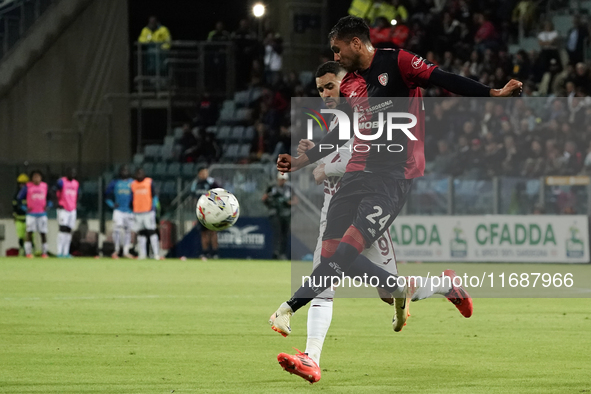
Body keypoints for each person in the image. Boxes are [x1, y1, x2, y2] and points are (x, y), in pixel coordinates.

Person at [270, 15, 521, 346]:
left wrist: (492, 94)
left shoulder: (398, 62)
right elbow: (341, 129)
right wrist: (302, 160)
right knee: (342, 261)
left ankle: (289, 309)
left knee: (346, 257)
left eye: (337, 49)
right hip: (357, 175)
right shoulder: (349, 85)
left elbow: (444, 78)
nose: (336, 57)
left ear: (356, 43)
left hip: (392, 177)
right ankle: (439, 286)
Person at [277, 61, 463, 383]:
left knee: (387, 292)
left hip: (369, 203)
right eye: (320, 90)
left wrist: (326, 166)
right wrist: (314, 157)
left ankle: (444, 285)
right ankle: (311, 358)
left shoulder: (369, 109)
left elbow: (367, 158)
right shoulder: (342, 120)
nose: (325, 95)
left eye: (330, 86)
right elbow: (337, 152)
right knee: (329, 278)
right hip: (335, 207)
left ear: (346, 83)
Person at [262, 173, 297, 260]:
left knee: (285, 234)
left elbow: (295, 200)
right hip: (275, 213)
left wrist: (287, 202)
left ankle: (282, 253)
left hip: (286, 213)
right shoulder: (272, 187)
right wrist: (271, 203)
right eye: (281, 179)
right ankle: (276, 252)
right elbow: (264, 198)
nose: (282, 181)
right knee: (277, 233)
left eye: (283, 179)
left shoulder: (289, 188)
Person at [17, 170, 51, 258]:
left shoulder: (45, 186)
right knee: (29, 232)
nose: (36, 178)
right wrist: (25, 208)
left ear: (41, 178)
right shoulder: (27, 187)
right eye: (34, 177)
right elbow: (19, 199)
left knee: (43, 233)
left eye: (38, 177)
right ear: (32, 178)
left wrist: (49, 206)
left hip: (42, 214)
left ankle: (44, 252)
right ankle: (28, 252)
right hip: (31, 214)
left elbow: (50, 198)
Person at [190, 167, 222, 260]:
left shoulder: (212, 183)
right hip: (201, 212)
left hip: (212, 211)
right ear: (199, 174)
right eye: (203, 172)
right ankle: (205, 252)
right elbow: (193, 196)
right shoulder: (196, 184)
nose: (204, 174)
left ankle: (215, 253)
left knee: (213, 232)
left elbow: (220, 193)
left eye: (206, 172)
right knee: (203, 233)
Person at [131, 168, 161, 260]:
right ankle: (142, 254)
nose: (139, 174)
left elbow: (154, 195)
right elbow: (132, 197)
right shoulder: (133, 184)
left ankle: (156, 254)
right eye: (137, 173)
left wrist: (155, 207)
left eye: (141, 172)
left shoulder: (149, 182)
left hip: (148, 211)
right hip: (137, 212)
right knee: (141, 233)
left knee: (151, 231)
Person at [105, 165, 135, 258]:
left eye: (126, 170)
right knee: (117, 230)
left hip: (129, 211)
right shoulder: (115, 183)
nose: (124, 172)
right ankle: (116, 250)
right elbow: (106, 195)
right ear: (119, 172)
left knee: (127, 231)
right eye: (123, 170)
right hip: (118, 210)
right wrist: (112, 204)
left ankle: (126, 251)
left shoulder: (133, 183)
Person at [54, 168, 79, 258]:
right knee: (62, 229)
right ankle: (59, 251)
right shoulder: (61, 182)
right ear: (66, 173)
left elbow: (78, 194)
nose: (72, 174)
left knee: (69, 231)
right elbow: (54, 191)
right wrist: (57, 203)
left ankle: (66, 252)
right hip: (63, 209)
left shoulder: (76, 183)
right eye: (70, 172)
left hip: (72, 209)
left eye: (74, 173)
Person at [13, 174, 29, 255]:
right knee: (21, 237)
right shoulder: (16, 195)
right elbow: (14, 208)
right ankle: (22, 250)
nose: (22, 185)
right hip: (19, 219)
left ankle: (29, 251)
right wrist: (14, 218)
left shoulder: (29, 194)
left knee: (29, 237)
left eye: (24, 184)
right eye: (20, 184)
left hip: (28, 219)